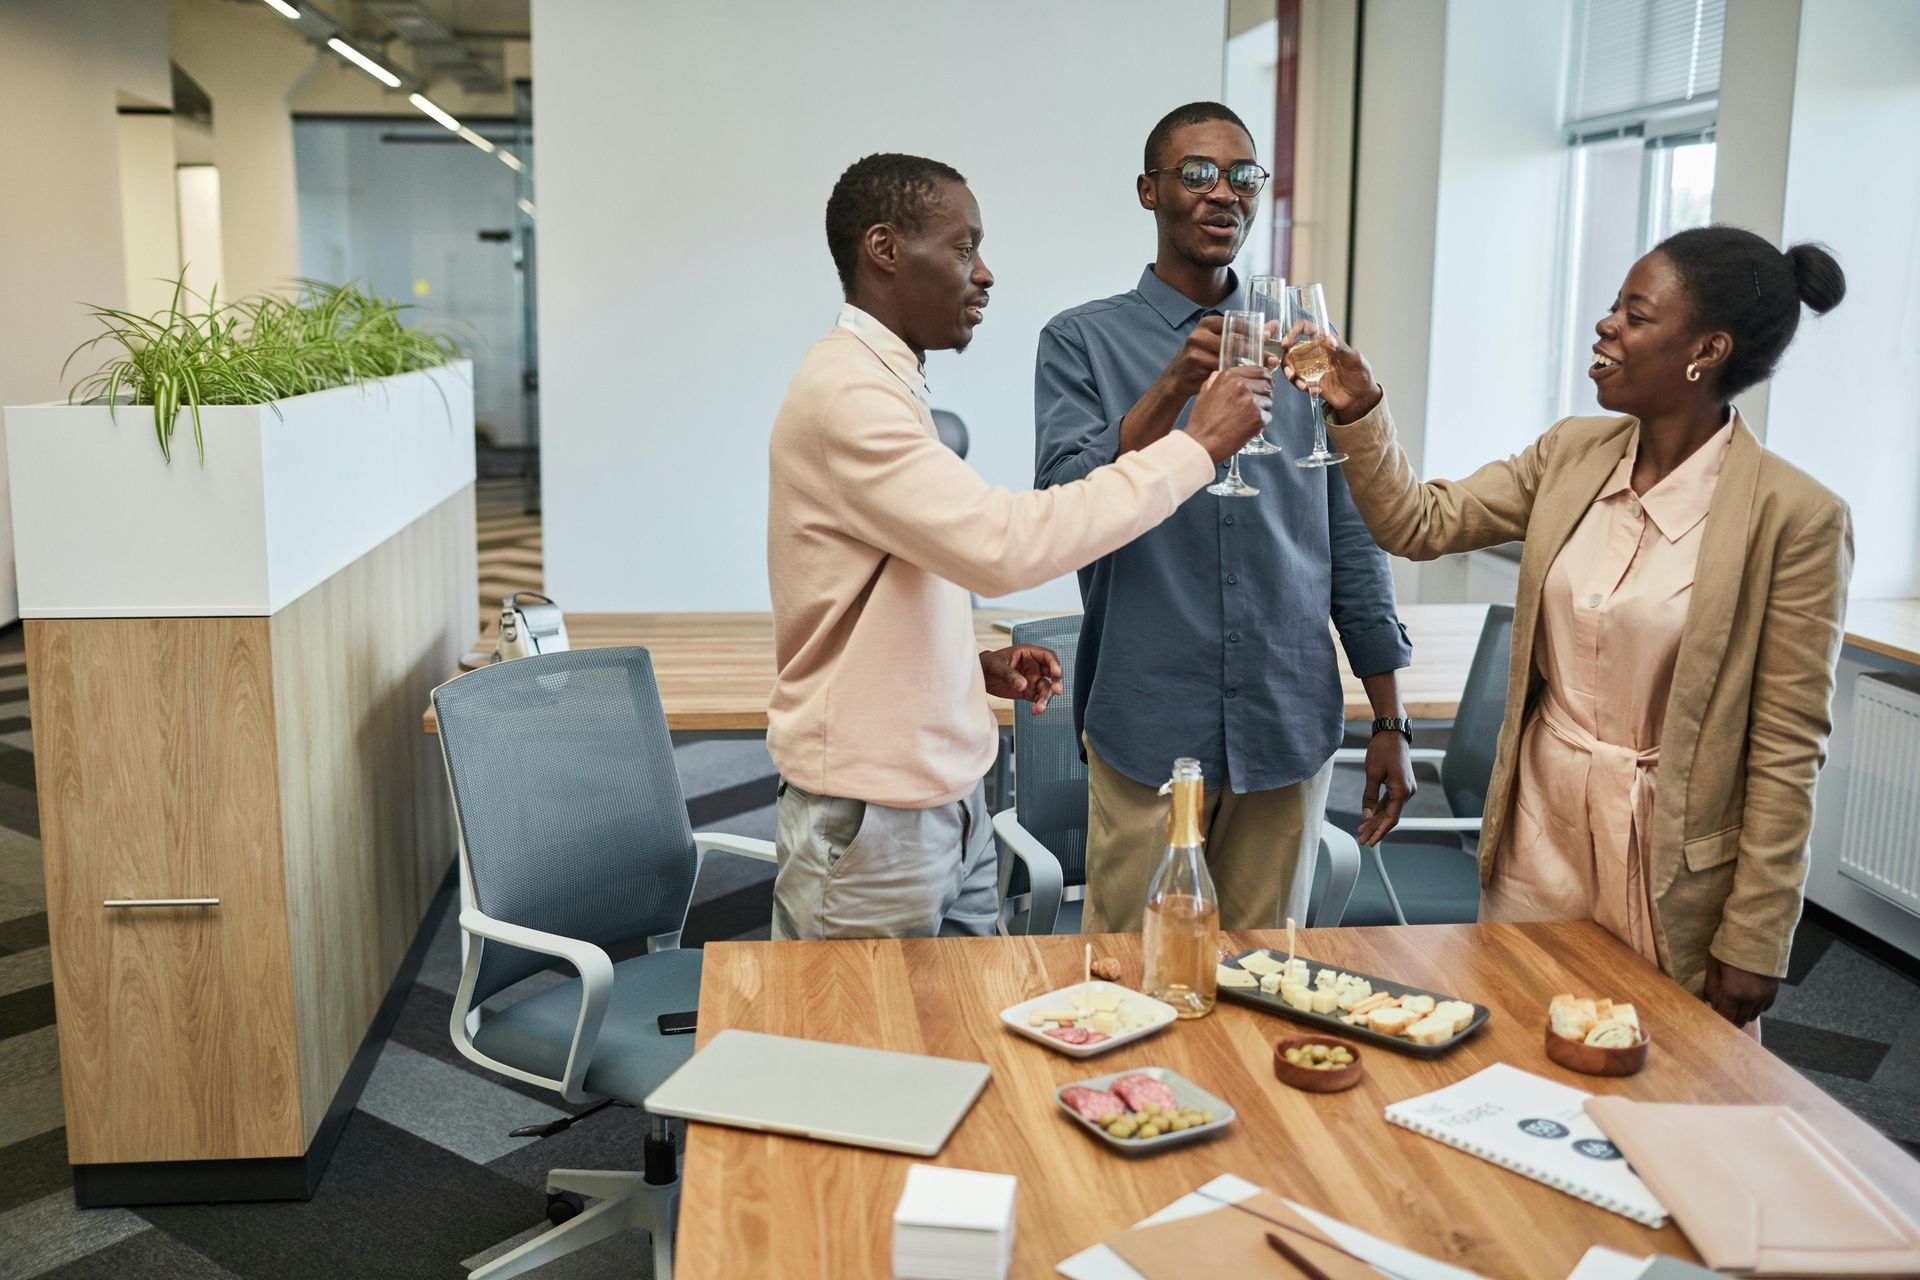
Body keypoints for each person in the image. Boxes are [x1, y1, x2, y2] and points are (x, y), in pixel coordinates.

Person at [1283, 224, 1851, 1025]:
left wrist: (1756, 938)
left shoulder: (1795, 516)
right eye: (1613, 305)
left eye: (1636, 313)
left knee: (1657, 1086)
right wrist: (1362, 409)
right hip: (1538, 829)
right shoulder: (1572, 454)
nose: (1605, 325)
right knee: (1516, 1041)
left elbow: (1789, 748)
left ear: (1707, 349)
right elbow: (1419, 523)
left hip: (1664, 857)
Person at [766, 153, 1274, 941]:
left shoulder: (886, 379)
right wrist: (1195, 449)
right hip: (877, 822)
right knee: (867, 1059)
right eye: (965, 249)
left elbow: (885, 581)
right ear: (885, 250)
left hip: (944, 803)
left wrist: (963, 668)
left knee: (959, 1052)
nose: (986, 273)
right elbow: (1002, 549)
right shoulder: (848, 394)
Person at [1034, 102, 1414, 934]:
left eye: (1243, 177)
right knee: (1132, 983)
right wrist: (1172, 387)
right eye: (1197, 174)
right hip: (1147, 718)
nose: (1223, 194)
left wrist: (1388, 717)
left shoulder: (1305, 347)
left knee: (1260, 982)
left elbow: (1351, 537)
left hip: (1287, 715)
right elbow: (1066, 499)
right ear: (1149, 191)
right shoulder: (1081, 341)